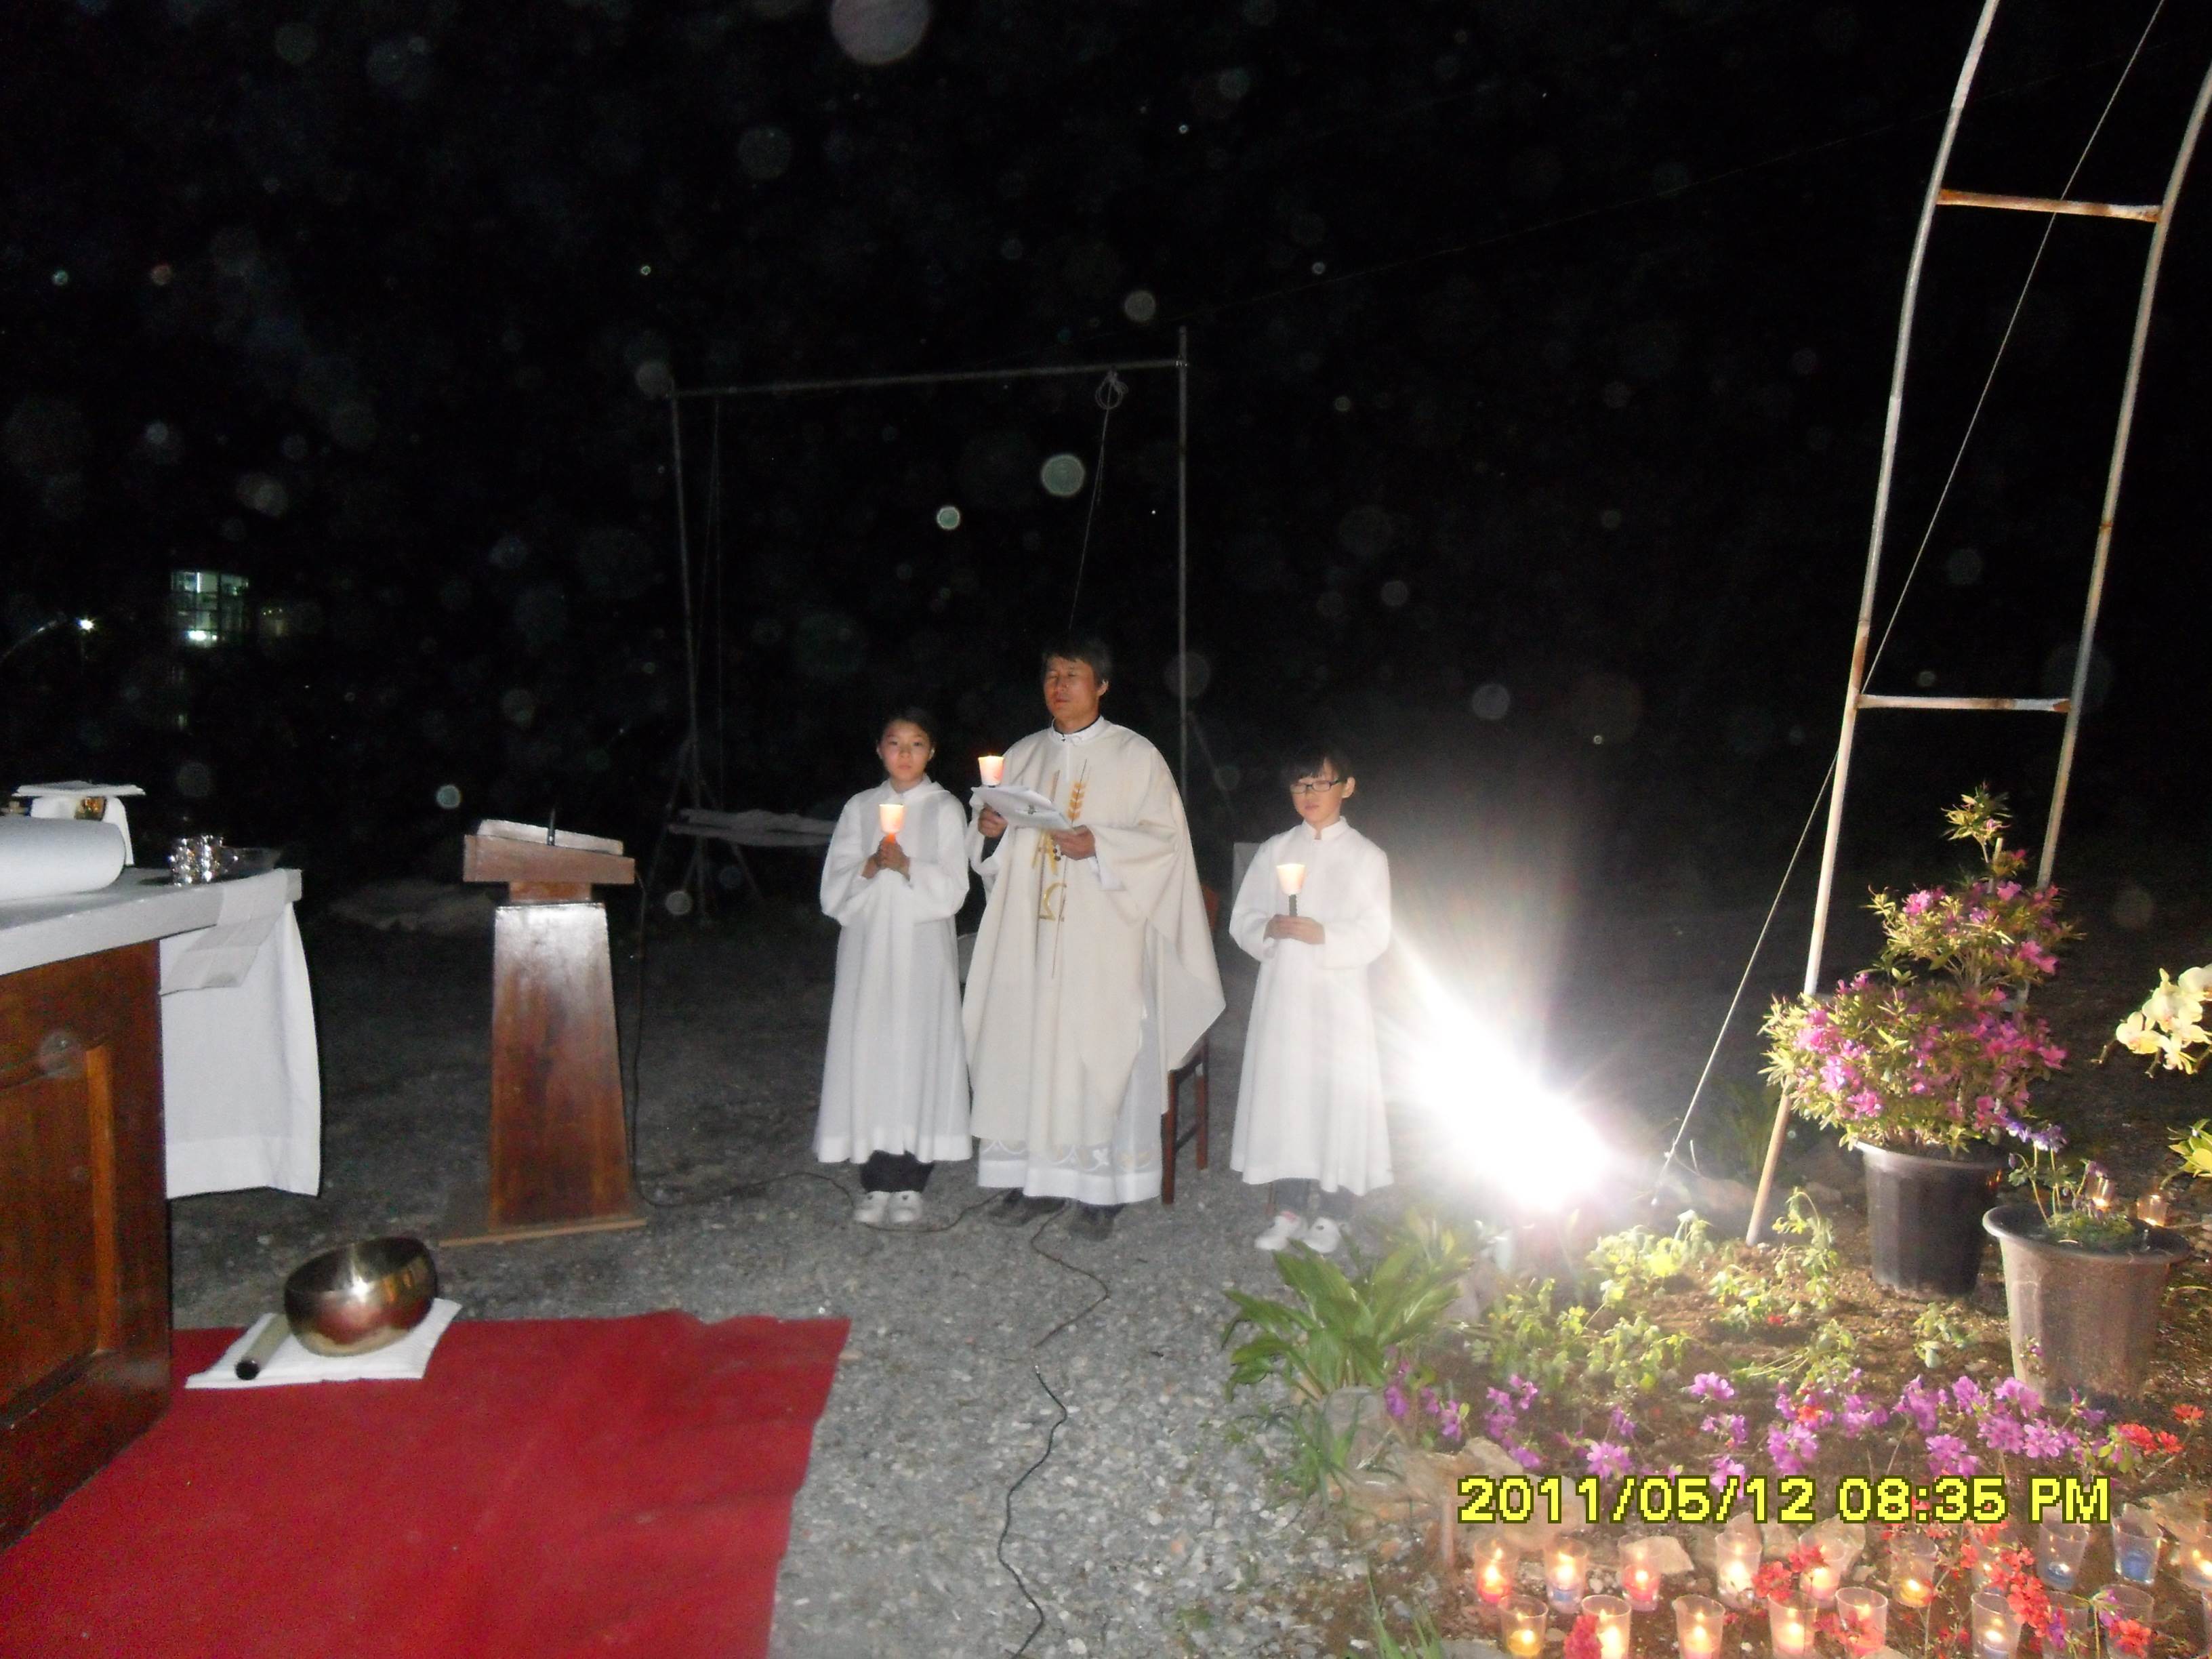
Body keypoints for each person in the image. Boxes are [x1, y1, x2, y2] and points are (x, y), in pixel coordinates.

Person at [964, 639, 1223, 1241]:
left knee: (1097, 1050)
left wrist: (1100, 844)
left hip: (1106, 937)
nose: (1059, 685)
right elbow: (989, 857)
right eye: (1051, 675)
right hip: (1030, 937)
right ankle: (1036, 1180)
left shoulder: (1136, 756)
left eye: (1073, 675)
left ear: (1102, 685)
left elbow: (1166, 844)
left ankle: (1101, 1190)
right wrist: (991, 829)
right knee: (1030, 1049)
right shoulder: (1022, 755)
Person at [1227, 745, 1392, 1254]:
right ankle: (1290, 1208)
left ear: (1347, 787)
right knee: (1288, 1097)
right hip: (1285, 996)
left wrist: (1327, 936)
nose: (1309, 794)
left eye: (1321, 783)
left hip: (1339, 999)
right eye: (1300, 785)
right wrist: (1269, 929)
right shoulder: (1275, 850)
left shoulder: (1367, 857)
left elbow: (1377, 931)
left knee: (1336, 1095)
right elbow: (1243, 918)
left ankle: (1336, 1211)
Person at [815, 709, 973, 1227]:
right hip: (868, 951)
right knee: (870, 1051)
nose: (905, 754)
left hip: (921, 953)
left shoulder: (944, 808)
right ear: (879, 749)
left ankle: (911, 1179)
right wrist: (869, 865)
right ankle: (875, 1178)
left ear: (932, 752)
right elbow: (834, 887)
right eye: (894, 743)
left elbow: (953, 889)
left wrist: (908, 866)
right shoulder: (860, 807)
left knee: (916, 1051)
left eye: (917, 744)